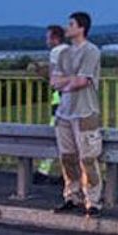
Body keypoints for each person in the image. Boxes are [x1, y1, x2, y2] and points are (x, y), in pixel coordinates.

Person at [50, 12, 104, 217]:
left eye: (71, 24)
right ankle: (72, 196)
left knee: (88, 158)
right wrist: (69, 81)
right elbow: (55, 81)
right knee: (67, 157)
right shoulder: (64, 53)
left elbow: (83, 81)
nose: (67, 27)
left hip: (85, 111)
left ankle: (93, 200)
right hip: (65, 112)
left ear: (81, 28)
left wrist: (67, 81)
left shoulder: (91, 51)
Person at [28, 25, 66, 183]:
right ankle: (68, 173)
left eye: (47, 37)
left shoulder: (56, 52)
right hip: (70, 98)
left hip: (59, 97)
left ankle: (43, 172)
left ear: (54, 38)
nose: (46, 41)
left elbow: (52, 77)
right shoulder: (69, 50)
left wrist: (38, 70)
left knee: (53, 135)